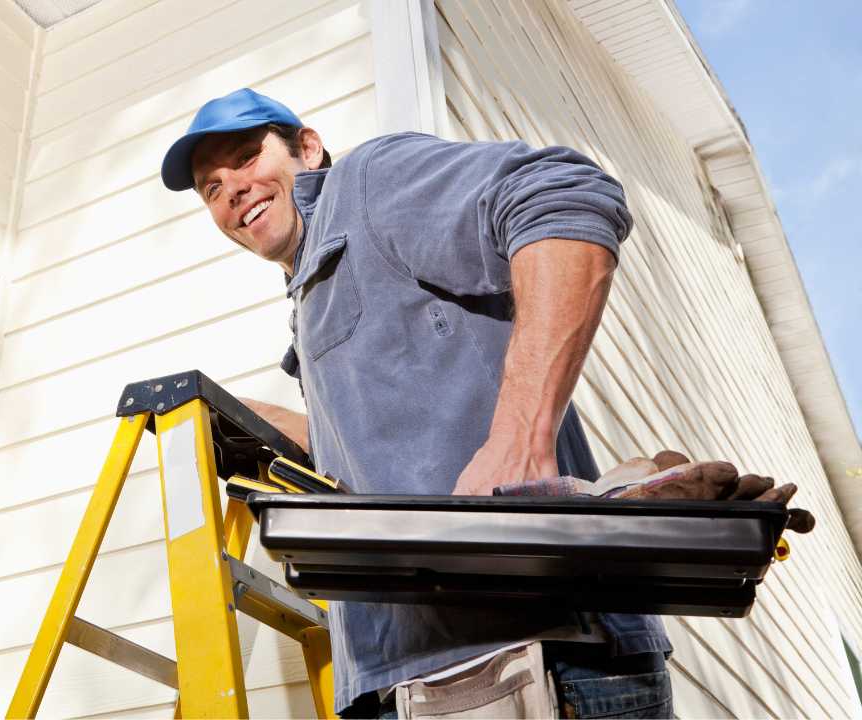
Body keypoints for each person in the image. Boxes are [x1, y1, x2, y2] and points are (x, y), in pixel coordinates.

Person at [161, 88, 800, 718]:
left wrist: (520, 437)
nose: (232, 189)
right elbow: (394, 452)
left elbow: (563, 195)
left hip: (534, 661)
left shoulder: (366, 185)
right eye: (211, 188)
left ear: (307, 147)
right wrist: (275, 427)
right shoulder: (311, 292)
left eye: (245, 158)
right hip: (415, 675)